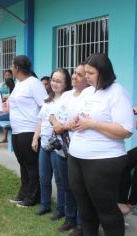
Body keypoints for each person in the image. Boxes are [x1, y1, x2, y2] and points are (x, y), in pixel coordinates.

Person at [67, 53, 134, 236]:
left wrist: (93, 124)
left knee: (106, 210)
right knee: (85, 208)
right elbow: (83, 116)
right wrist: (75, 121)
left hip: (103, 159)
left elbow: (126, 130)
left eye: (90, 73)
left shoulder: (117, 92)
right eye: (85, 72)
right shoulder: (88, 92)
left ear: (103, 72)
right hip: (77, 156)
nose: (86, 76)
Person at [49, 63, 88, 235]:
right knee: (66, 186)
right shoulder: (65, 95)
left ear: (87, 78)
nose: (74, 77)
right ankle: (69, 218)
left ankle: (81, 223)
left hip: (78, 150)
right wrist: (57, 124)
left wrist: (62, 127)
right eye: (74, 74)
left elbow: (80, 121)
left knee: (79, 188)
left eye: (79, 74)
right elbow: (51, 114)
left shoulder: (88, 96)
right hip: (61, 148)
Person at [8, 55, 47, 207]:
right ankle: (24, 193)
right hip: (17, 130)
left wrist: (37, 135)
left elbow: (44, 107)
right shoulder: (19, 83)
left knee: (31, 165)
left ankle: (33, 196)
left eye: (12, 66)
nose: (11, 68)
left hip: (29, 129)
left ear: (17, 68)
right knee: (22, 163)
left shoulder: (34, 83)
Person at [32, 68, 71, 221]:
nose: (54, 83)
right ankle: (45, 204)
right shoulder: (46, 100)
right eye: (53, 80)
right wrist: (35, 138)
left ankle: (60, 209)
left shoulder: (68, 101)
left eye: (59, 81)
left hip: (58, 146)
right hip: (44, 144)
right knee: (43, 177)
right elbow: (40, 120)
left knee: (60, 180)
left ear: (66, 83)